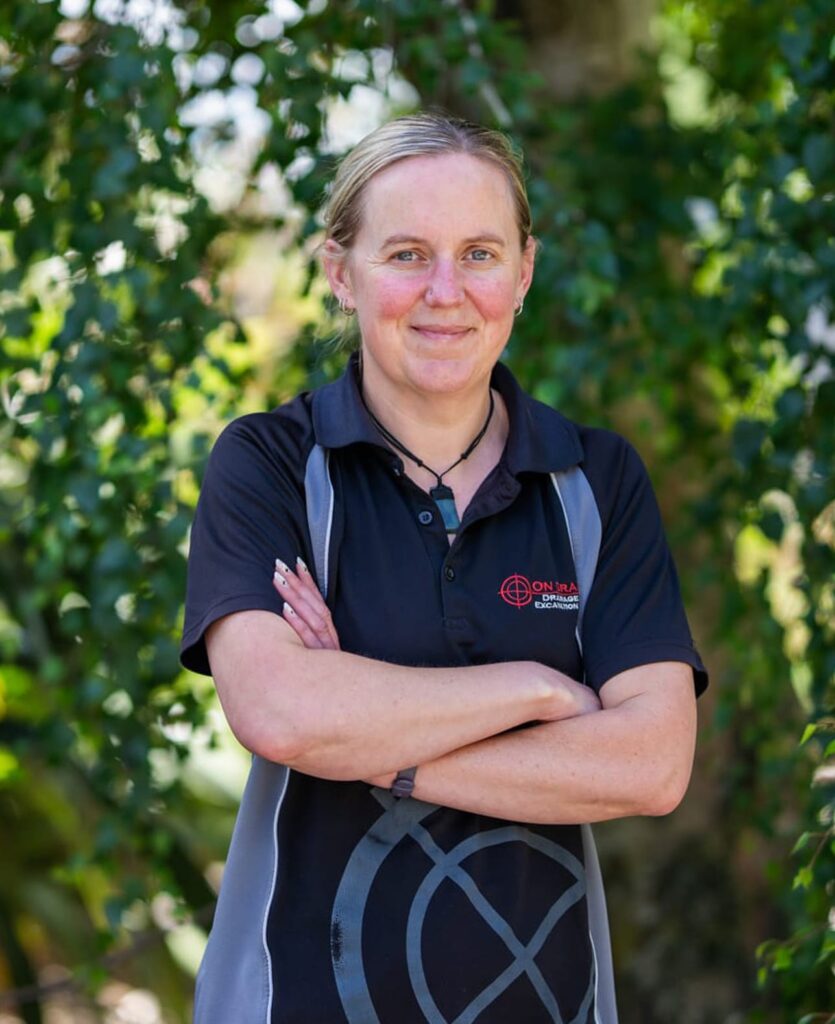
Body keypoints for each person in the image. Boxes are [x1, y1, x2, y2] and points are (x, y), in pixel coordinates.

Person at [180, 111, 707, 1024]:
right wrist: (540, 690)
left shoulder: (596, 481)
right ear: (340, 273)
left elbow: (650, 767)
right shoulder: (268, 465)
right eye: (406, 255)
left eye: (478, 254)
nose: (444, 292)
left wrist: (377, 745)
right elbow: (280, 712)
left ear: (524, 271)